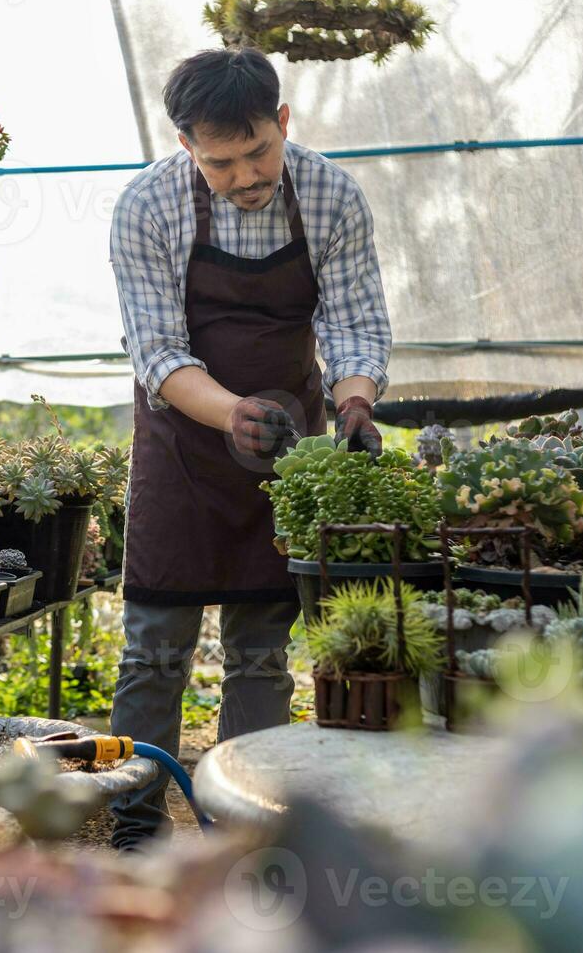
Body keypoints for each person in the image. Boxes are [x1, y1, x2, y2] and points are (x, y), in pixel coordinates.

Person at [107, 47, 392, 849]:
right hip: (182, 451)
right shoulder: (148, 207)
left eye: (258, 151)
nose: (242, 175)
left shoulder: (331, 194)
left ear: (284, 123)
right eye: (219, 162)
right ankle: (135, 827)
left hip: (286, 454)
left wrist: (356, 403)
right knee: (154, 652)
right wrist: (232, 413)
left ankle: (238, 834)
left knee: (262, 655)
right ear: (189, 147)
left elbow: (353, 323)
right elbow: (157, 354)